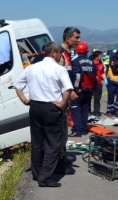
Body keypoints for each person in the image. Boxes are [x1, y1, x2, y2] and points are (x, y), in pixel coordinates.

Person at [12, 41, 73, 188]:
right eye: (59, 53)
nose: (60, 56)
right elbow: (68, 89)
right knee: (53, 143)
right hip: (51, 108)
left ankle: (37, 173)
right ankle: (45, 178)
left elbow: (17, 85)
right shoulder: (59, 70)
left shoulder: (32, 68)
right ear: (53, 53)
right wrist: (63, 103)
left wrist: (24, 100)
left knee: (37, 142)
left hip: (35, 107)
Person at [57, 27, 80, 174]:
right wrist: (68, 92)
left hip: (65, 99)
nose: (78, 40)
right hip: (60, 99)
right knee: (60, 131)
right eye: (76, 38)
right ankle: (58, 161)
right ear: (68, 38)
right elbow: (57, 78)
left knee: (64, 130)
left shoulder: (68, 54)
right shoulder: (61, 55)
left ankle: (62, 156)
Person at [70, 41, 96, 137]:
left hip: (80, 89)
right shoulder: (92, 63)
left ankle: (78, 130)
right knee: (85, 109)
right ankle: (84, 128)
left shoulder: (76, 62)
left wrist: (76, 88)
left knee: (76, 109)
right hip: (89, 89)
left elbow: (77, 76)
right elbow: (95, 77)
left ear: (77, 51)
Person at [92, 50, 106, 118]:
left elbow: (102, 73)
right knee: (88, 98)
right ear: (96, 57)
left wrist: (105, 80)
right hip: (91, 83)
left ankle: (96, 111)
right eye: (100, 56)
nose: (101, 57)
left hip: (99, 84)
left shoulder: (101, 64)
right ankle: (88, 111)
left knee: (97, 99)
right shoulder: (91, 63)